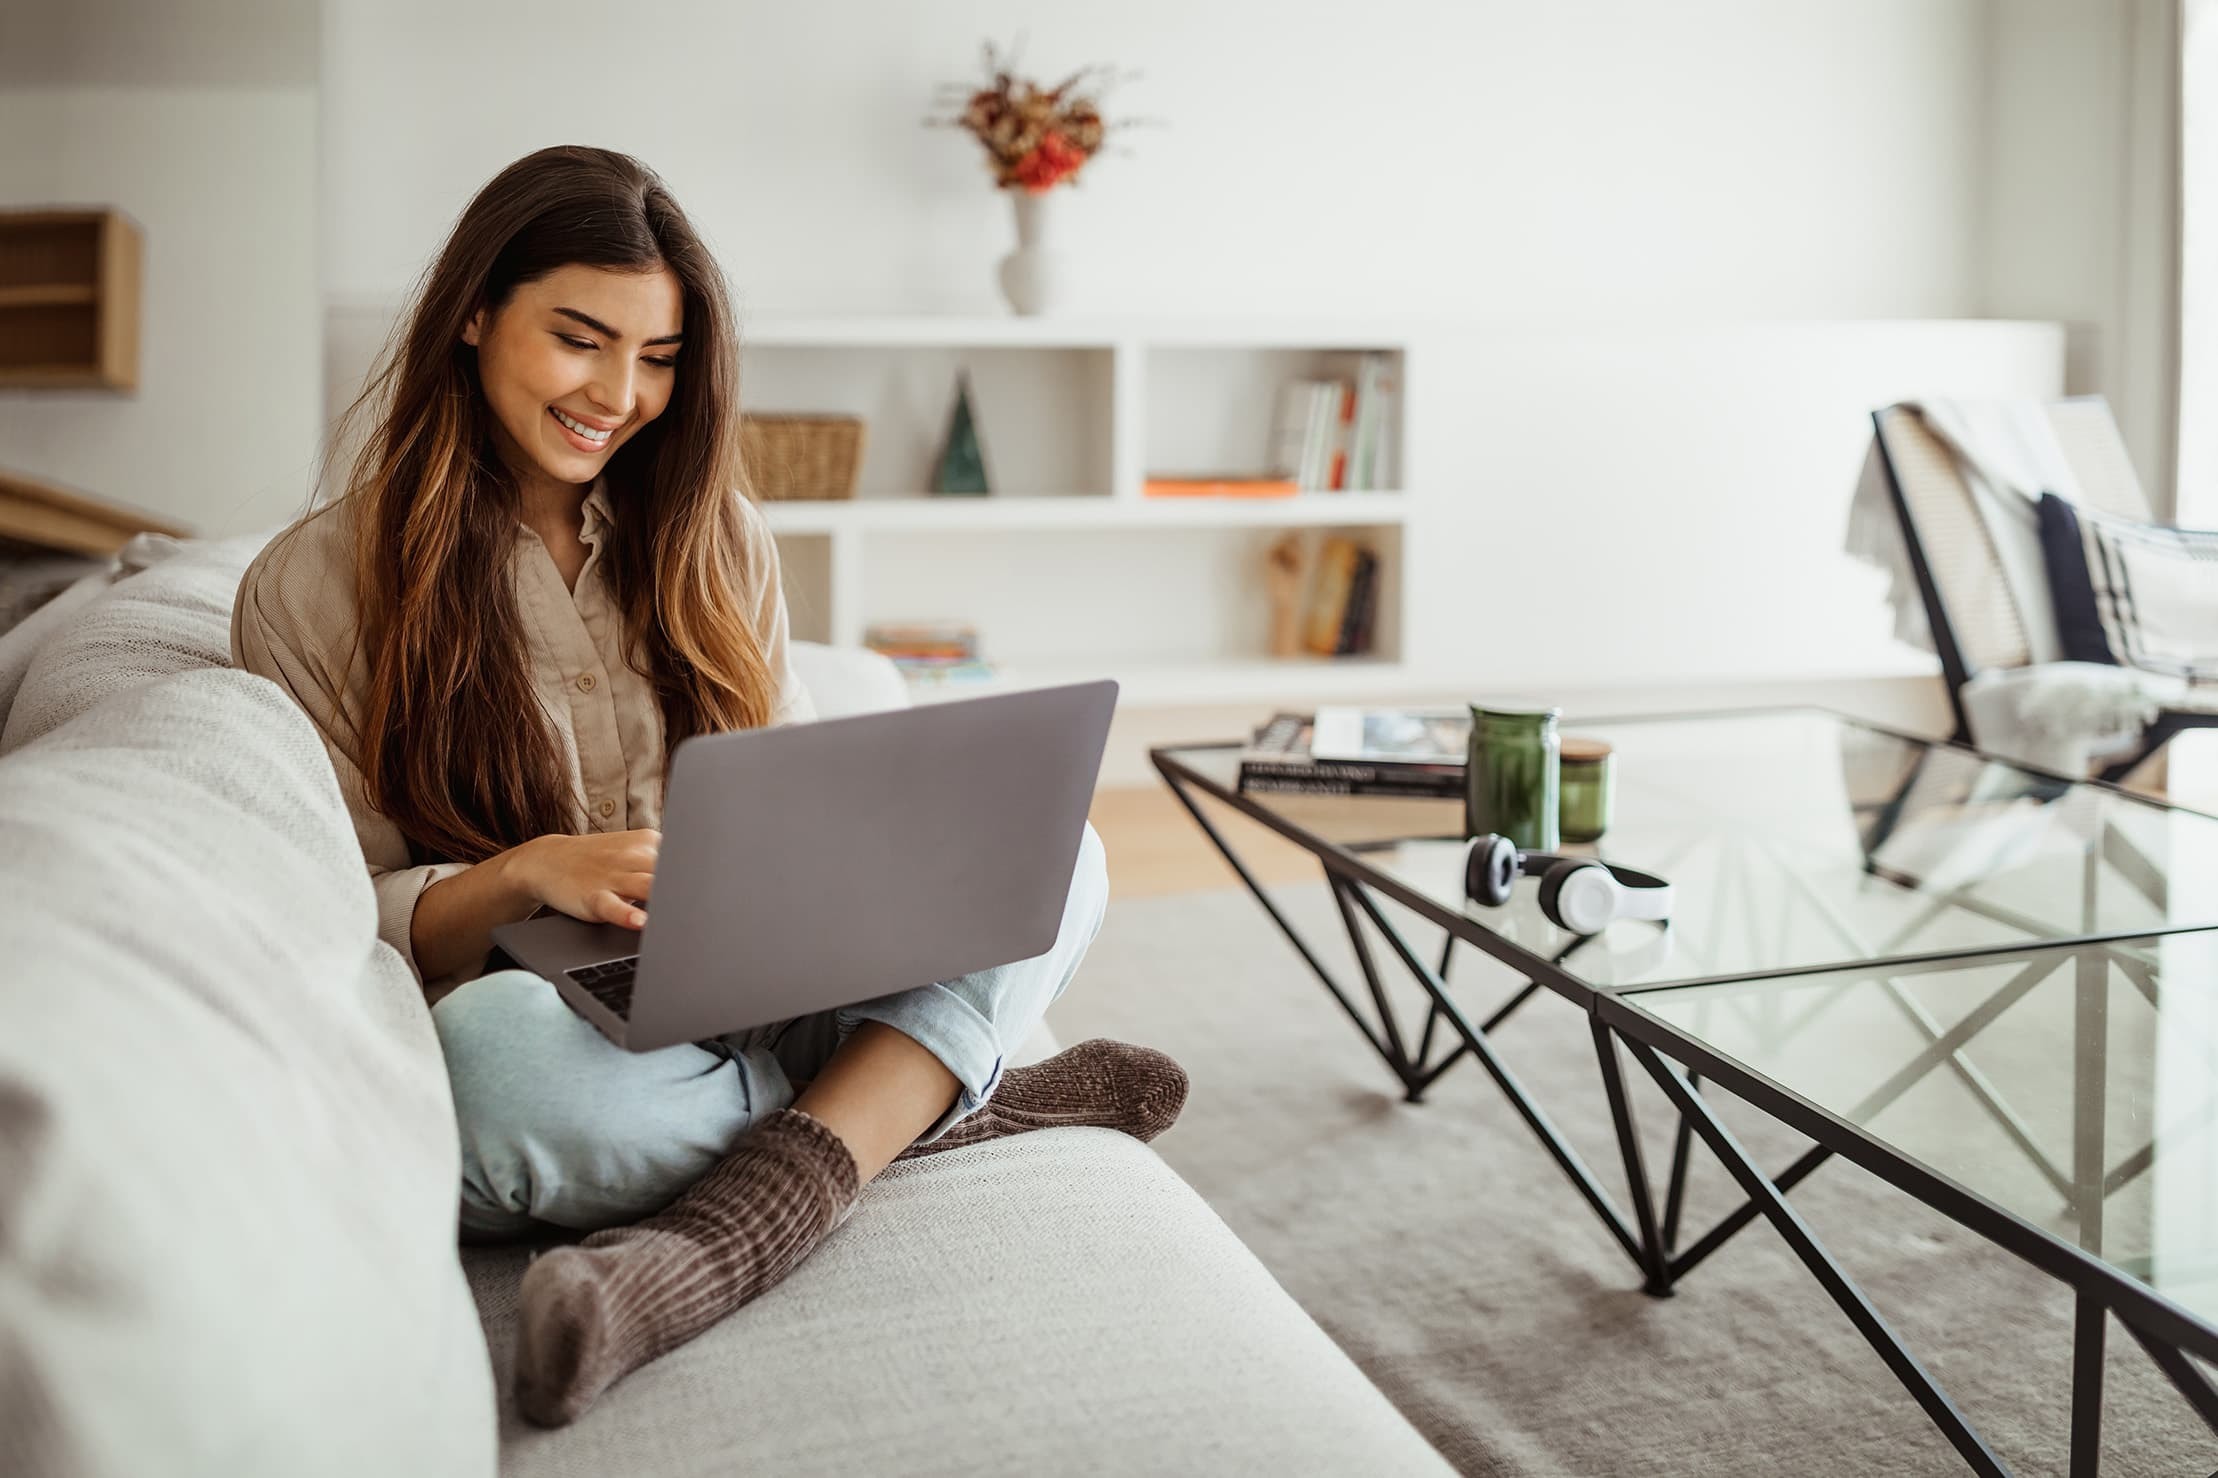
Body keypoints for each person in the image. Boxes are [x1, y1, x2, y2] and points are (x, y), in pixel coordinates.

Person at [229, 144, 1187, 1427]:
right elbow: (332, 911)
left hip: (767, 973)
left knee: (1056, 850)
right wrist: (521, 874)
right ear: (472, 311)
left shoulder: (712, 528)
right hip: (565, 1022)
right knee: (490, 1075)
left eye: (661, 357)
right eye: (580, 338)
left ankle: (725, 1230)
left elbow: (789, 782)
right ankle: (931, 1091)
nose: (619, 393)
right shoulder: (315, 588)